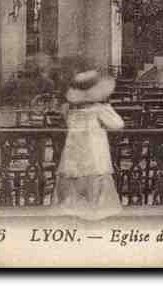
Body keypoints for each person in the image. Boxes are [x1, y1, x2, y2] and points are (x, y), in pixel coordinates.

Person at [54, 70, 124, 221]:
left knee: (74, 176)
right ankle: (93, 209)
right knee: (95, 176)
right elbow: (117, 124)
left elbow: (67, 123)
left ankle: (73, 208)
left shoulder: (69, 109)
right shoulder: (100, 109)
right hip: (94, 149)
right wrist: (109, 108)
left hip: (74, 149)